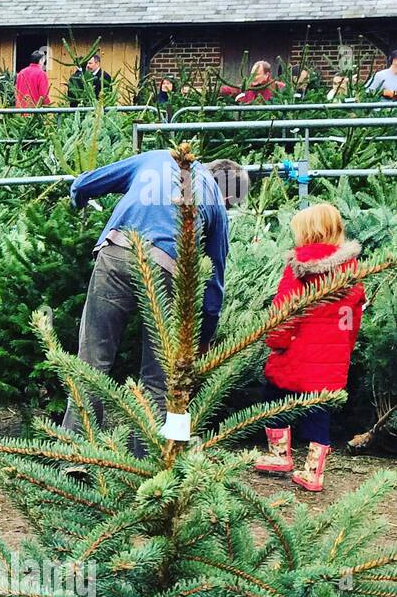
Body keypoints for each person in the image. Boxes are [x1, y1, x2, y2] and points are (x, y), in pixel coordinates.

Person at [62, 149, 249, 447]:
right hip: (167, 269)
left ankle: (76, 452)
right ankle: (148, 462)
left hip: (116, 251)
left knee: (92, 360)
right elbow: (214, 281)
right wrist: (203, 338)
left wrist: (77, 197)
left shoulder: (159, 158)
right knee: (159, 375)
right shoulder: (213, 196)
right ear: (228, 196)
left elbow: (89, 182)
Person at [254, 202, 363, 493]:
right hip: (332, 360)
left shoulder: (299, 268)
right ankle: (314, 473)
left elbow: (284, 312)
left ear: (306, 233)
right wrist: (343, 351)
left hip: (294, 357)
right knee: (319, 412)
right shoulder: (351, 273)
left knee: (274, 397)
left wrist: (275, 342)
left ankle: (279, 455)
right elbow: (352, 321)